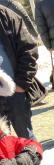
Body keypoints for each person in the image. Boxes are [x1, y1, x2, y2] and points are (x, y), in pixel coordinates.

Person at [0, 5, 38, 139]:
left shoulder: (7, 16)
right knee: (3, 148)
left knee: (27, 139)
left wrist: (21, 85)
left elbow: (29, 50)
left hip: (16, 91)